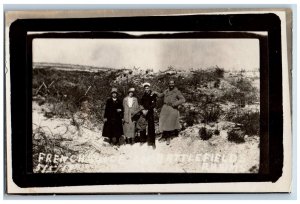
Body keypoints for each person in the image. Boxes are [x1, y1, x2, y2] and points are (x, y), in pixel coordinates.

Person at [154, 80, 185, 145]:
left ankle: (168, 138)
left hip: (172, 108)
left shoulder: (177, 92)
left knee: (168, 122)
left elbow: (183, 99)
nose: (171, 84)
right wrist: (155, 92)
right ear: (168, 84)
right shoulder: (166, 91)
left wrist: (175, 104)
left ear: (174, 84)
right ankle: (164, 135)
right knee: (162, 120)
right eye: (170, 83)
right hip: (165, 107)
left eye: (172, 83)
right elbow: (160, 95)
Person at [139, 82, 157, 149]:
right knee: (142, 125)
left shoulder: (153, 94)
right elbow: (141, 103)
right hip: (144, 112)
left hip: (150, 112)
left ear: (149, 88)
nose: (146, 89)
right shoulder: (143, 96)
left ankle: (152, 142)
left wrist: (148, 110)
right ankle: (142, 140)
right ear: (144, 89)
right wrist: (143, 110)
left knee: (151, 127)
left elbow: (154, 104)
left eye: (147, 88)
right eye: (145, 88)